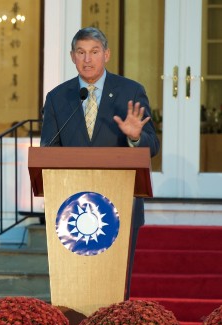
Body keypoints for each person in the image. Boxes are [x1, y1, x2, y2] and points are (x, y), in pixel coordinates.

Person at [40, 27, 160, 298]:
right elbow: (48, 151)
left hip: (119, 205)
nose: (87, 59)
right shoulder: (58, 98)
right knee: (74, 281)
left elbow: (152, 146)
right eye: (81, 52)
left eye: (94, 52)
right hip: (70, 205)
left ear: (106, 54)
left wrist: (135, 138)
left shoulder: (131, 91)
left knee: (116, 285)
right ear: (72, 56)